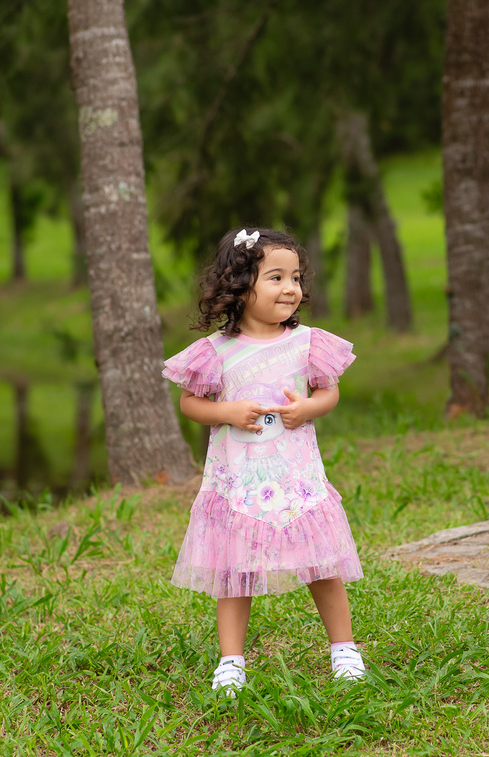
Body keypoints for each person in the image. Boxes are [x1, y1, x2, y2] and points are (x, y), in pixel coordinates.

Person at [162, 227, 365, 695]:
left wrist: (308, 409)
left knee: (323, 563)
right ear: (240, 285)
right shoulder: (216, 352)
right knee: (234, 572)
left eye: (295, 277)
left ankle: (344, 650)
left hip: (297, 480)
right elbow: (191, 405)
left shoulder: (307, 342)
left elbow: (328, 392)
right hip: (238, 484)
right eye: (276, 277)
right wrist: (227, 411)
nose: (291, 287)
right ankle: (231, 661)